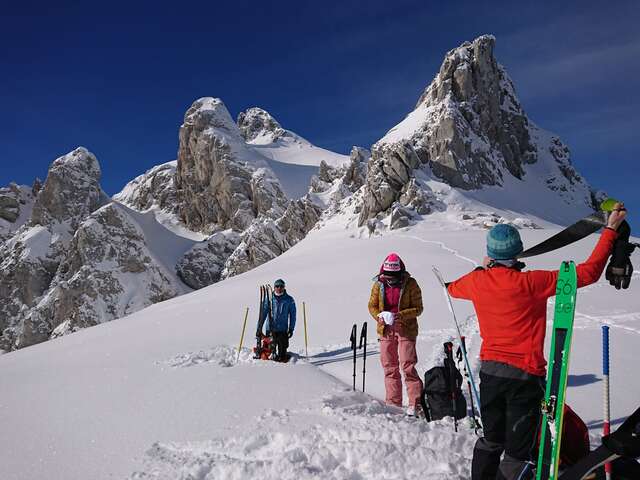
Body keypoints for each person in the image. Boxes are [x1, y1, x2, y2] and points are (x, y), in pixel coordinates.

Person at [446, 204, 628, 480]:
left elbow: (452, 287)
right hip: (525, 377)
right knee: (518, 450)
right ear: (517, 252)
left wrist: (482, 271)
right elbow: (588, 273)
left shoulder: (476, 282)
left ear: (491, 254)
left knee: (491, 439)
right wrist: (610, 231)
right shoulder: (532, 283)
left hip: (490, 374)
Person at [368, 253, 424, 416]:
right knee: (389, 366)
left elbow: (418, 308)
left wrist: (401, 315)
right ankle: (393, 403)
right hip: (386, 329)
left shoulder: (410, 284)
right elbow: (372, 305)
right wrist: (379, 316)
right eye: (387, 277)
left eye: (394, 278)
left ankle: (416, 403)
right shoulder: (378, 285)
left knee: (408, 365)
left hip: (406, 328)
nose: (391, 280)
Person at [256, 278, 296, 362]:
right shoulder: (270, 299)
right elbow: (262, 314)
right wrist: (258, 328)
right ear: (274, 287)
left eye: (281, 286)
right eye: (277, 286)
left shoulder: (289, 300)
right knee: (268, 353)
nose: (279, 288)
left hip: (282, 330)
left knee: (282, 353)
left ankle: (282, 358)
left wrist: (291, 328)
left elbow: (293, 316)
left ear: (284, 287)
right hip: (270, 328)